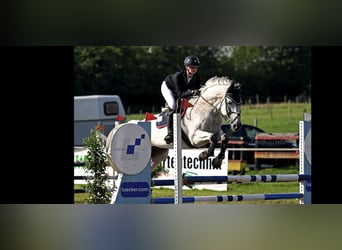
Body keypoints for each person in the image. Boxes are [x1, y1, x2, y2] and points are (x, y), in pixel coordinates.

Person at [161, 55, 202, 144]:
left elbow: (197, 91)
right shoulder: (178, 76)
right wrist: (192, 92)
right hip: (168, 88)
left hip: (181, 91)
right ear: (186, 67)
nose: (194, 69)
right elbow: (180, 94)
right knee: (173, 105)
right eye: (192, 67)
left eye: (196, 67)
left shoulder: (196, 77)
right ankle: (170, 133)